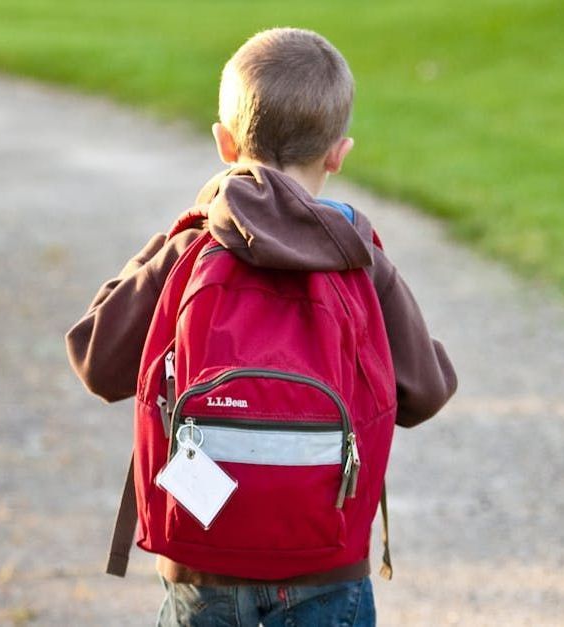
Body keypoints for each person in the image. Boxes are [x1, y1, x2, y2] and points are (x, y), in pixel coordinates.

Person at [65, 27, 457, 627]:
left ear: (225, 144)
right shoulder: (360, 258)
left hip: (202, 573)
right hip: (327, 573)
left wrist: (169, 243)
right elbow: (424, 394)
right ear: (338, 153)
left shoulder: (192, 248)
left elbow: (96, 360)